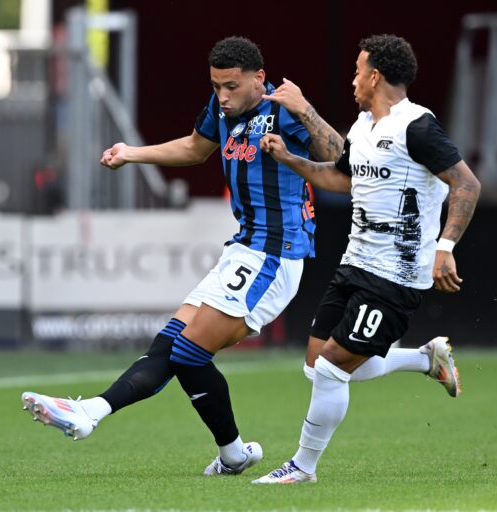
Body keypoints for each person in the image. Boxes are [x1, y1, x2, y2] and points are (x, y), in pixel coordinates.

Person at [21, 36, 343, 476]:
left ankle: (96, 412)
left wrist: (306, 109)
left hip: (275, 256)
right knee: (170, 344)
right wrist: (131, 153)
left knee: (189, 352)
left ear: (259, 79)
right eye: (215, 86)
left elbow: (339, 159)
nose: (223, 97)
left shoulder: (284, 110)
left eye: (231, 86)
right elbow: (195, 148)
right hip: (242, 250)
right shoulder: (223, 111)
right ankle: (225, 452)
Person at [251, 34, 481, 484]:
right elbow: (341, 180)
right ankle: (423, 360)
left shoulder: (417, 126)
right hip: (355, 262)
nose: (353, 79)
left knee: (334, 367)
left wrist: (445, 248)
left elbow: (466, 184)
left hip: (396, 274)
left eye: (358, 70)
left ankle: (302, 467)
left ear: (375, 76)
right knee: (316, 367)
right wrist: (289, 158)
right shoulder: (362, 127)